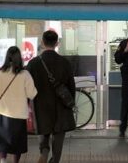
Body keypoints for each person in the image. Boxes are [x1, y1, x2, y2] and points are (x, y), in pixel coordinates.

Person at [26, 30, 76, 163]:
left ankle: (44, 151)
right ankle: (54, 160)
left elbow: (27, 86)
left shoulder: (33, 63)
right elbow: (72, 86)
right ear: (57, 43)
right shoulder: (65, 62)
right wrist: (71, 102)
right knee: (58, 141)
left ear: (42, 42)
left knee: (43, 135)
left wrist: (27, 104)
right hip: (61, 108)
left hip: (41, 107)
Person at [0, 46, 37, 163]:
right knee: (17, 142)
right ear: (19, 58)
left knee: (2, 140)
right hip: (19, 114)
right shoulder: (25, 74)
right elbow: (32, 94)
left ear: (7, 57)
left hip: (2, 112)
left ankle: (3, 160)